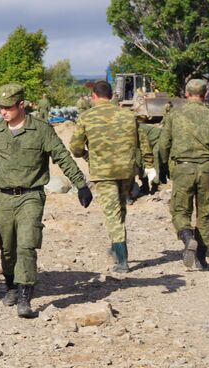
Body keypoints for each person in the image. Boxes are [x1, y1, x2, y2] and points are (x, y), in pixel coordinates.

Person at [0, 83, 93, 318]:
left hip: (31, 196)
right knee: (8, 248)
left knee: (26, 245)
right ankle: (11, 285)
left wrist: (81, 184)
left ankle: (25, 295)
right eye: (1, 107)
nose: (3, 112)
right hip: (2, 197)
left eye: (8, 107)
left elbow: (62, 156)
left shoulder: (41, 130)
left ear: (21, 105)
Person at [70, 81, 154, 273]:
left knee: (112, 213)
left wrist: (86, 155)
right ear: (111, 96)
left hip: (103, 172)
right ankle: (115, 246)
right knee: (121, 207)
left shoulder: (87, 116)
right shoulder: (128, 115)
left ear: (94, 96)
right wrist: (149, 165)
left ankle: (122, 259)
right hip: (126, 170)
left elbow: (75, 147)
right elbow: (144, 142)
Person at [159, 79, 209, 270]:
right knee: (205, 214)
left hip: (183, 168)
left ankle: (187, 237)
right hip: (207, 169)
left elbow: (163, 143)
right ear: (205, 94)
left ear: (186, 93)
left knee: (180, 210)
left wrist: (163, 166)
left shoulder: (174, 114)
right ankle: (201, 258)